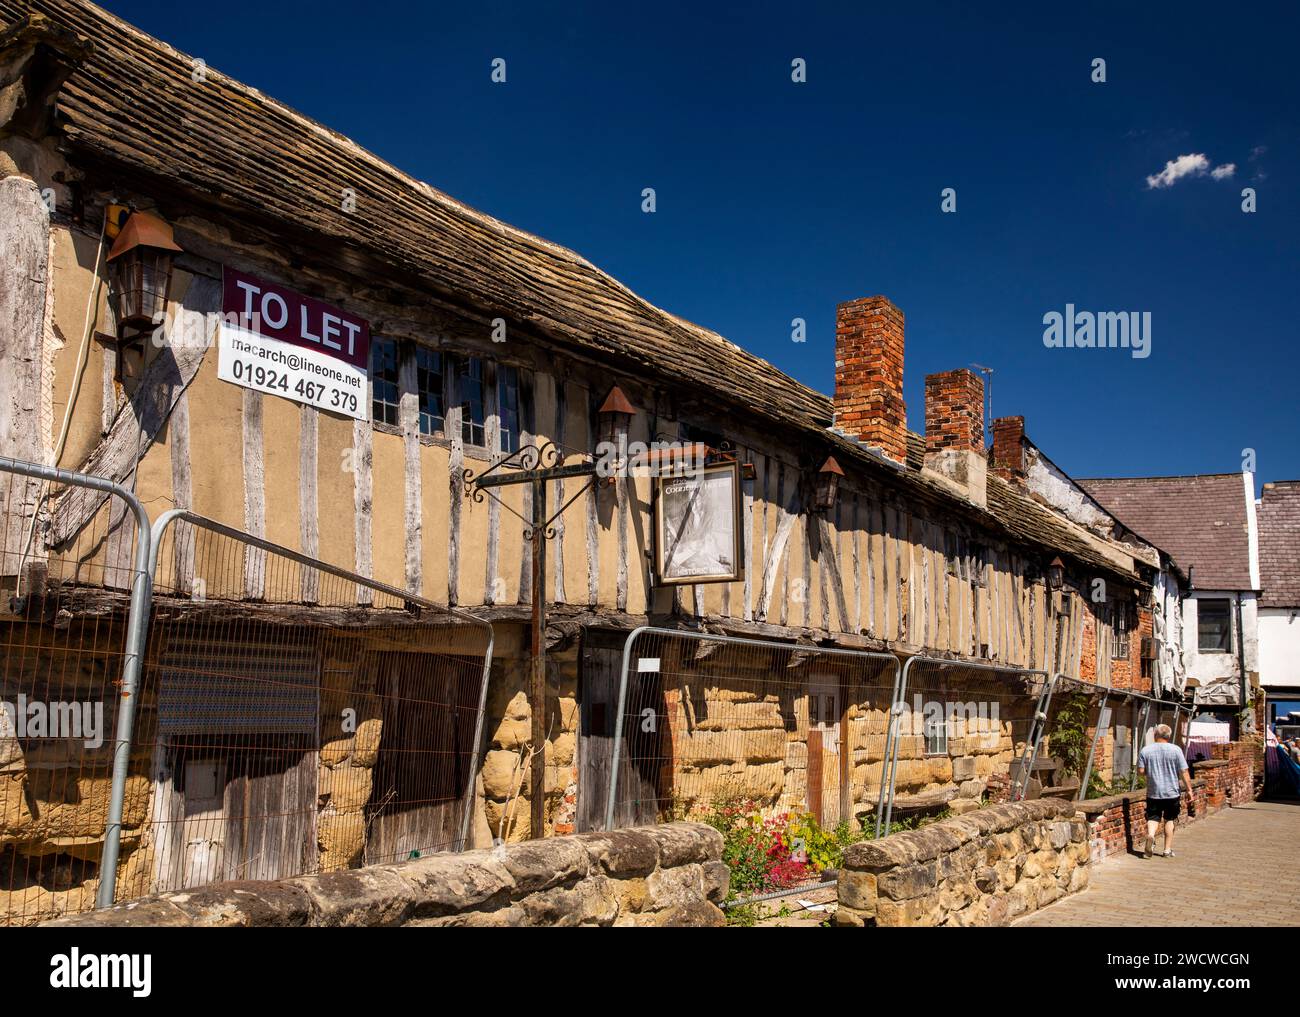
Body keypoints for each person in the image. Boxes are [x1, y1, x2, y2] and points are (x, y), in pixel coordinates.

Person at [1138, 723, 1195, 858]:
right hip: (1172, 792)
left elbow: (1140, 771)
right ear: (1169, 736)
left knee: (1153, 817)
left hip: (1153, 792)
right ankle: (1167, 850)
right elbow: (1184, 771)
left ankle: (1151, 835)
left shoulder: (1145, 751)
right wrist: (1189, 790)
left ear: (1155, 734)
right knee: (1170, 819)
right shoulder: (1176, 750)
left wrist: (1151, 770)